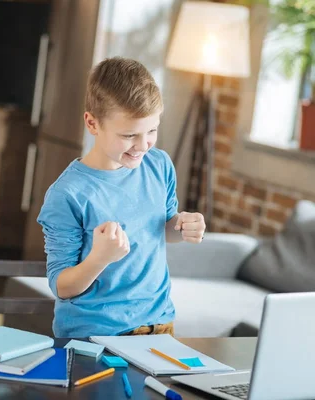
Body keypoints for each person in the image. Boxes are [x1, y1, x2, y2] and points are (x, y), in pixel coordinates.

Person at [37, 57, 206, 338]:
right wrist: (99, 259)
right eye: (129, 135)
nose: (143, 145)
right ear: (92, 123)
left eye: (151, 130)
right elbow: (61, 286)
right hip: (95, 334)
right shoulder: (68, 194)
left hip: (160, 326)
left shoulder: (159, 165)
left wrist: (183, 226)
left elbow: (161, 229)